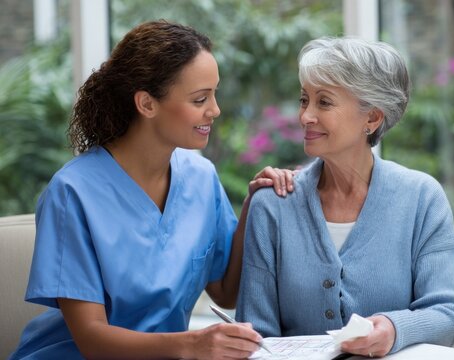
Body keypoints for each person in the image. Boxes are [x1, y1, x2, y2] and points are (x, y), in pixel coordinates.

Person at [9, 20, 295, 360]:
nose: (215, 110)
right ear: (146, 104)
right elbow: (91, 339)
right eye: (200, 98)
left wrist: (253, 203)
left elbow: (225, 292)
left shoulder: (201, 178)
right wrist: (193, 345)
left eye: (214, 95)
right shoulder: (72, 193)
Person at [236, 37, 454, 358]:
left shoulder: (421, 198)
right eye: (305, 100)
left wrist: (392, 329)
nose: (305, 115)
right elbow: (255, 334)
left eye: (324, 102)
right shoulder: (272, 204)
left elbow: (450, 314)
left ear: (372, 118)